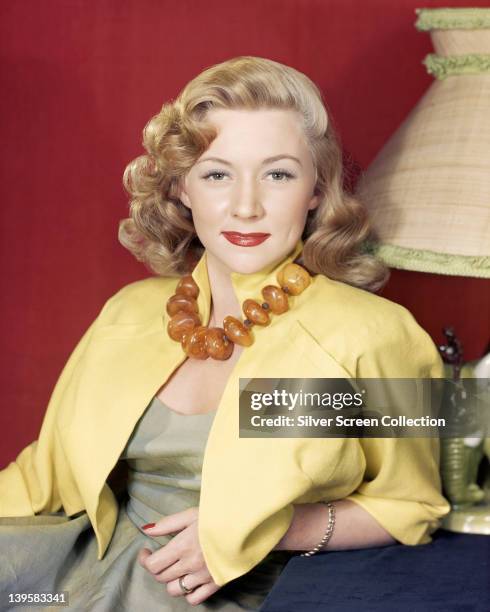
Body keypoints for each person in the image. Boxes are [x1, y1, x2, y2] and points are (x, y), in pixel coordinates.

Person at [0, 56, 450, 611]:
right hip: (82, 570)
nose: (245, 205)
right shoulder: (128, 313)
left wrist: (272, 530)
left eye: (278, 174)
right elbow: (41, 476)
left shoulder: (374, 334)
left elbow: (413, 506)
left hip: (248, 593)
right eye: (217, 174)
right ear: (183, 189)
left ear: (315, 189)